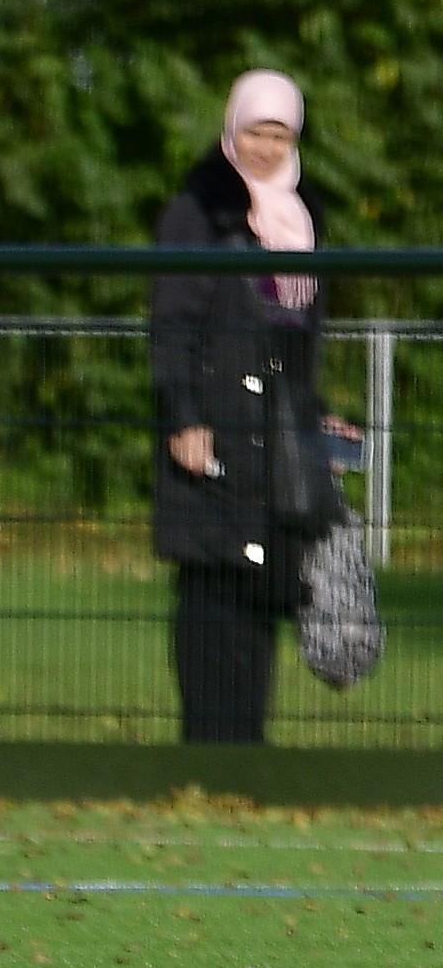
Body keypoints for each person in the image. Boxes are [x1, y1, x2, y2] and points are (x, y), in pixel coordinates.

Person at [148, 69, 356, 745]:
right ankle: (210, 744)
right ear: (232, 130)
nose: (266, 146)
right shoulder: (198, 210)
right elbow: (172, 321)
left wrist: (315, 415)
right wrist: (182, 415)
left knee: (266, 584)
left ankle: (248, 750)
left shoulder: (305, 217)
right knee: (212, 581)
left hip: (279, 428)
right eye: (255, 132)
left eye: (280, 134)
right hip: (214, 421)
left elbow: (301, 335)